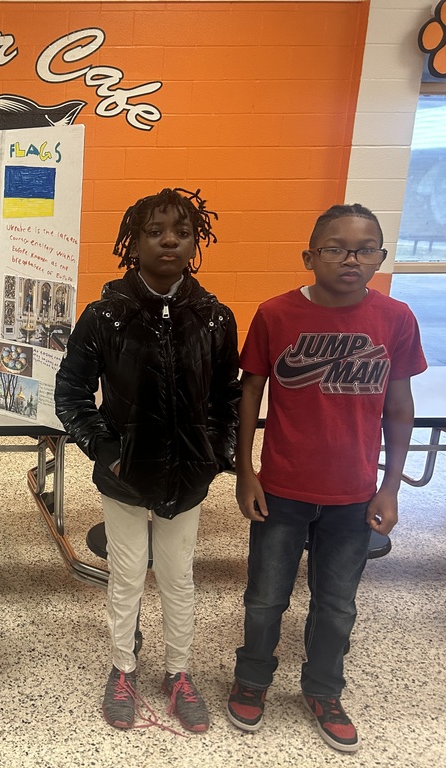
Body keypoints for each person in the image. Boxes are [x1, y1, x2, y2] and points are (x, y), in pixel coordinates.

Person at [226, 204, 426, 753]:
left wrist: (390, 485)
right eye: (336, 248)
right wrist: (246, 470)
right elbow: (249, 392)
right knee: (265, 599)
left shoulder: (396, 319)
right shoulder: (275, 314)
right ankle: (253, 679)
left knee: (337, 603)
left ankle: (323, 689)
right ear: (309, 255)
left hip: (354, 495)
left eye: (365, 250)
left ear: (381, 258)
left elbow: (400, 407)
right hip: (283, 490)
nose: (351, 259)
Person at [55, 187, 240, 733]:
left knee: (179, 578)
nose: (168, 240)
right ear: (132, 243)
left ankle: (179, 673)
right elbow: (71, 393)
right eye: (156, 231)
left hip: (188, 477)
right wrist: (107, 452)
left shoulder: (215, 318)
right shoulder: (104, 315)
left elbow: (228, 397)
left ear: (195, 243)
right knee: (128, 576)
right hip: (125, 479)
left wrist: (215, 456)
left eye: (181, 232)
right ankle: (122, 667)